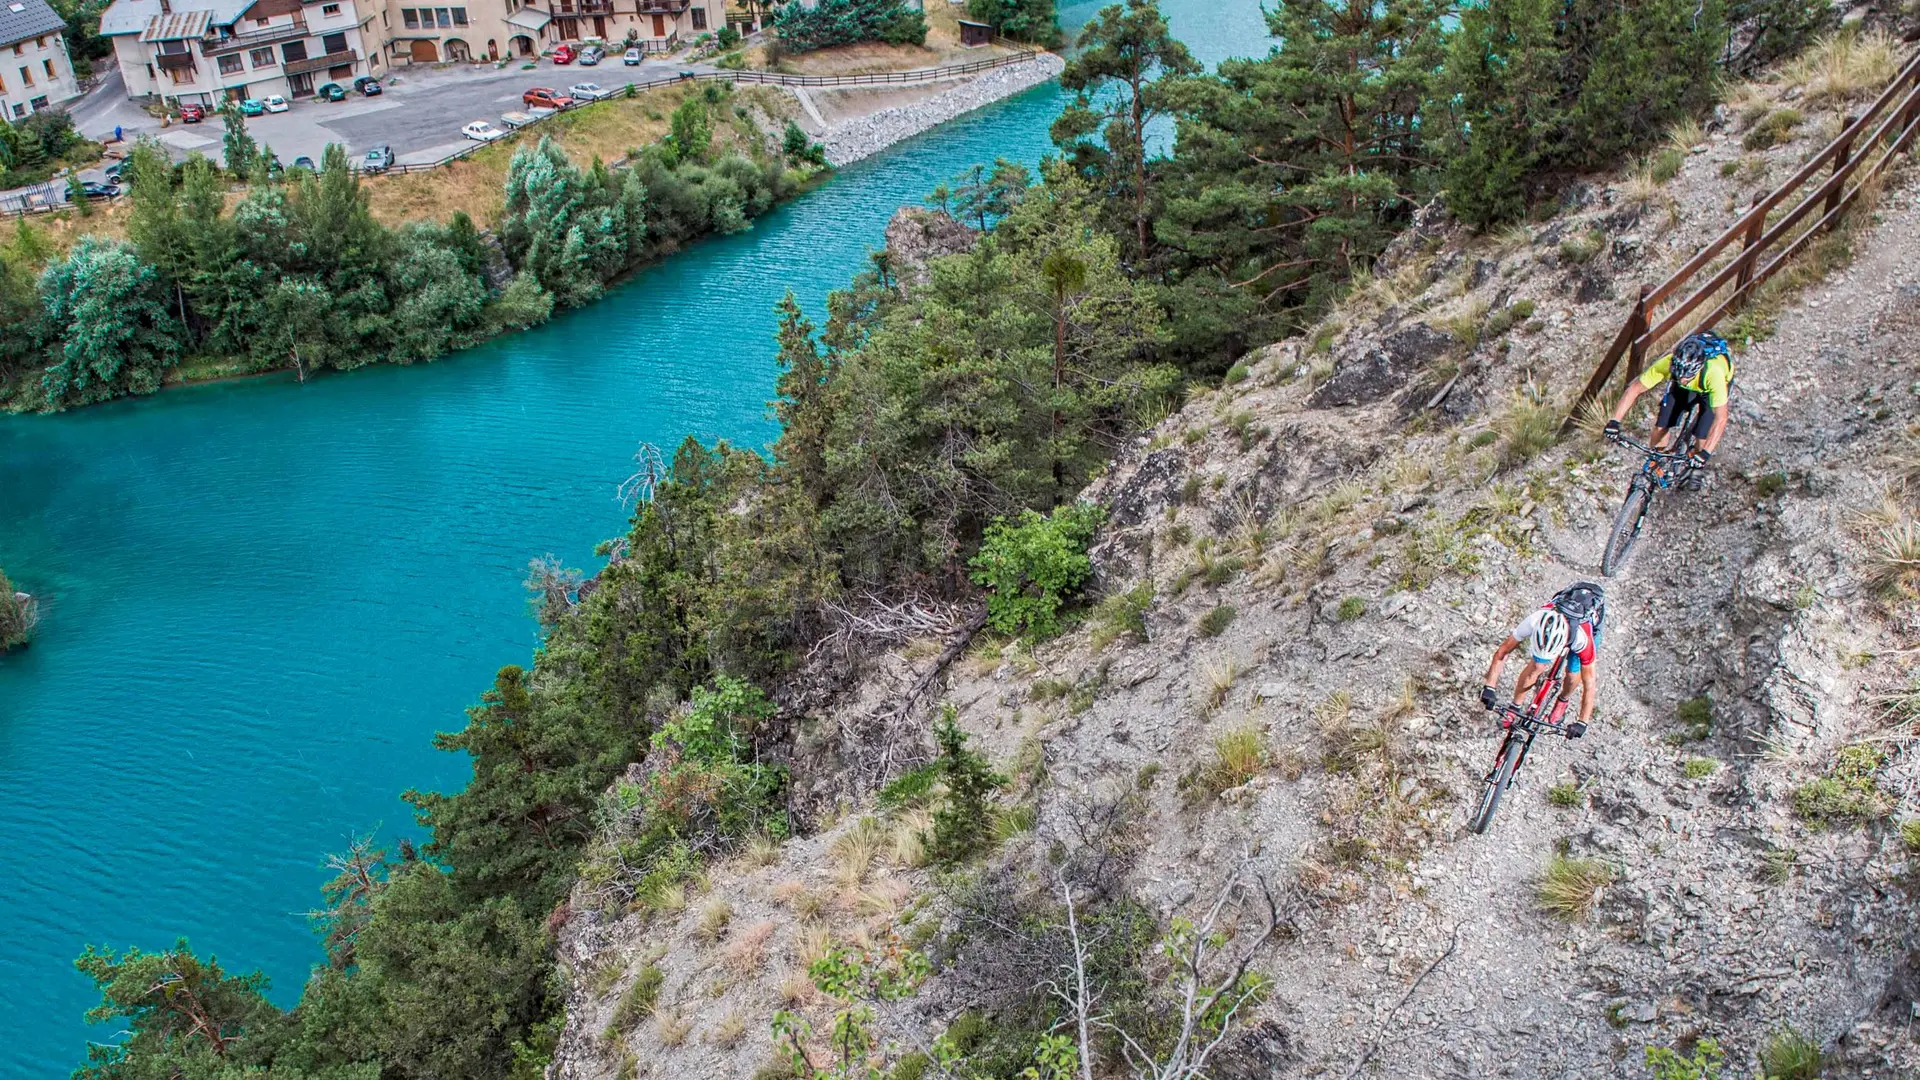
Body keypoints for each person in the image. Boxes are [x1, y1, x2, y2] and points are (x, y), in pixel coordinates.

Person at [1603, 330, 1732, 490]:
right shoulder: (1671, 364)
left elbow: (1721, 419)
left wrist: (1704, 453)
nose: (1682, 379)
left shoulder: (1714, 374)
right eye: (1679, 375)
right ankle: (1655, 461)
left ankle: (1696, 467)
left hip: (1708, 387)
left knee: (1702, 433)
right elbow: (1635, 388)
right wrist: (1614, 421)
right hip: (1686, 386)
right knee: (1661, 425)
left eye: (1687, 376)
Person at [1479, 582, 1606, 736]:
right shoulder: (1535, 620)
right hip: (1556, 625)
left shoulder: (1582, 639)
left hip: (1587, 624)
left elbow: (1590, 683)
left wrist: (1582, 721)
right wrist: (1490, 686)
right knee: (1536, 667)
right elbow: (1502, 653)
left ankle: (1563, 700)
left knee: (1573, 675)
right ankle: (1515, 706)